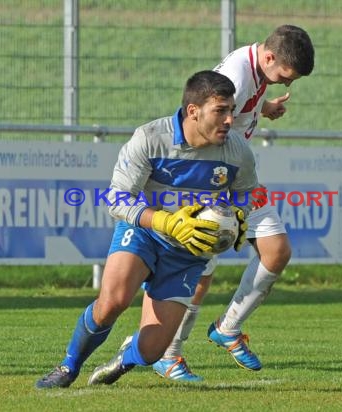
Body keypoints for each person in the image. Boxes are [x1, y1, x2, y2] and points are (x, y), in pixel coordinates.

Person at [35, 70, 259, 389]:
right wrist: (165, 221)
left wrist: (238, 215)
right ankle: (68, 366)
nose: (228, 120)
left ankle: (124, 359)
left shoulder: (237, 150)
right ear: (193, 111)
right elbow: (116, 198)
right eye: (220, 111)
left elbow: (247, 190)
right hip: (145, 233)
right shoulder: (151, 137)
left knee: (154, 351)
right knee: (112, 302)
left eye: (231, 111)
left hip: (190, 251)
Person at [152, 24, 315, 381]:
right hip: (214, 179)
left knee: (276, 250)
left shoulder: (254, 73)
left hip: (237, 176)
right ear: (269, 57)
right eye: (286, 76)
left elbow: (234, 113)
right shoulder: (237, 77)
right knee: (197, 275)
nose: (288, 84)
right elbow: (199, 125)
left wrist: (264, 108)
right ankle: (168, 353)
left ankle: (227, 328)